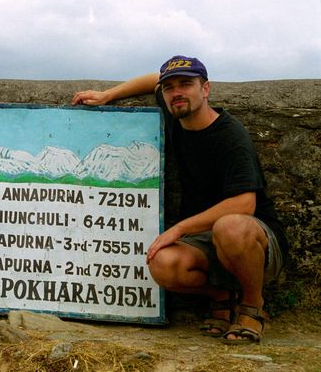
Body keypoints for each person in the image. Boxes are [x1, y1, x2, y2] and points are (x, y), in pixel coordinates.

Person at [72, 55, 287, 345]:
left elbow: (244, 205)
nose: (177, 93)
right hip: (204, 241)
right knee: (161, 263)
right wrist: (109, 94)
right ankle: (222, 295)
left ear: (206, 89)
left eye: (186, 84)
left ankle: (252, 306)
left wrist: (178, 229)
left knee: (230, 227)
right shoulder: (178, 112)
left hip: (253, 240)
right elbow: (152, 80)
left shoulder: (231, 136)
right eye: (170, 87)